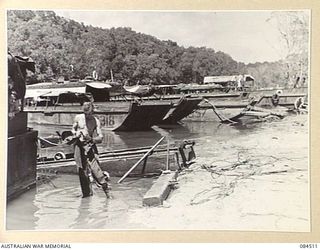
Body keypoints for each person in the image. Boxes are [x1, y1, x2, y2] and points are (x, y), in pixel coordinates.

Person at [72, 102, 110, 198]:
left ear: (92, 112)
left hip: (90, 145)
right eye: (85, 114)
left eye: (89, 113)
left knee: (96, 169)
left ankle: (107, 192)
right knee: (81, 170)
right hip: (79, 146)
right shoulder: (78, 117)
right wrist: (75, 133)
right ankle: (86, 194)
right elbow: (73, 129)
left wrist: (91, 139)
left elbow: (100, 137)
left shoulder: (95, 121)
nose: (87, 116)